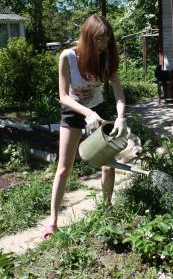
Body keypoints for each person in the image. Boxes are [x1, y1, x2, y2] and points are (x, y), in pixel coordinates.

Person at [44, 15, 127, 238]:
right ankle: (52, 220)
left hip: (98, 108)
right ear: (88, 37)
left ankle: (107, 209)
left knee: (108, 164)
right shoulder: (68, 57)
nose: (103, 45)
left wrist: (120, 117)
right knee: (64, 168)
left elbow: (118, 89)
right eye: (99, 40)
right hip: (73, 111)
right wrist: (87, 113)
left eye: (107, 40)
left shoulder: (107, 58)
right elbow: (63, 96)